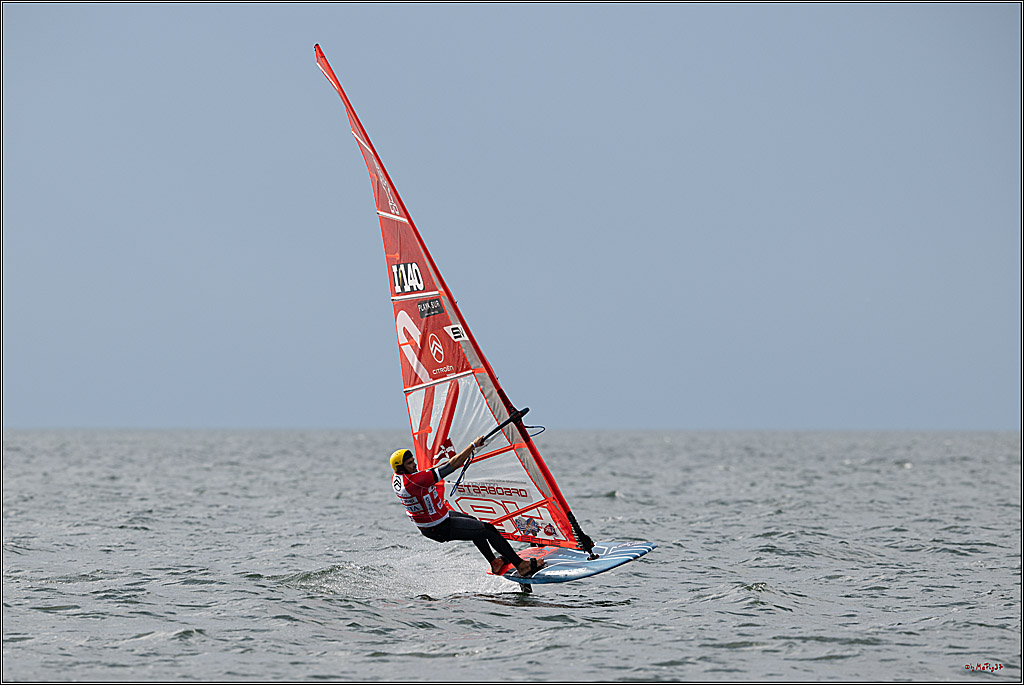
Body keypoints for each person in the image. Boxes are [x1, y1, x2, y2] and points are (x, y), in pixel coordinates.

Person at [390, 437, 544, 577]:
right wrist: (473, 446)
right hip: (439, 527)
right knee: (488, 530)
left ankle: (494, 562)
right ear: (402, 468)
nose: (414, 464)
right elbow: (454, 465)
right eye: (410, 463)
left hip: (436, 520)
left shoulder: (398, 478)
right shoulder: (416, 481)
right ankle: (521, 566)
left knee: (474, 522)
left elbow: (434, 470)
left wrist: (464, 454)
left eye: (413, 460)